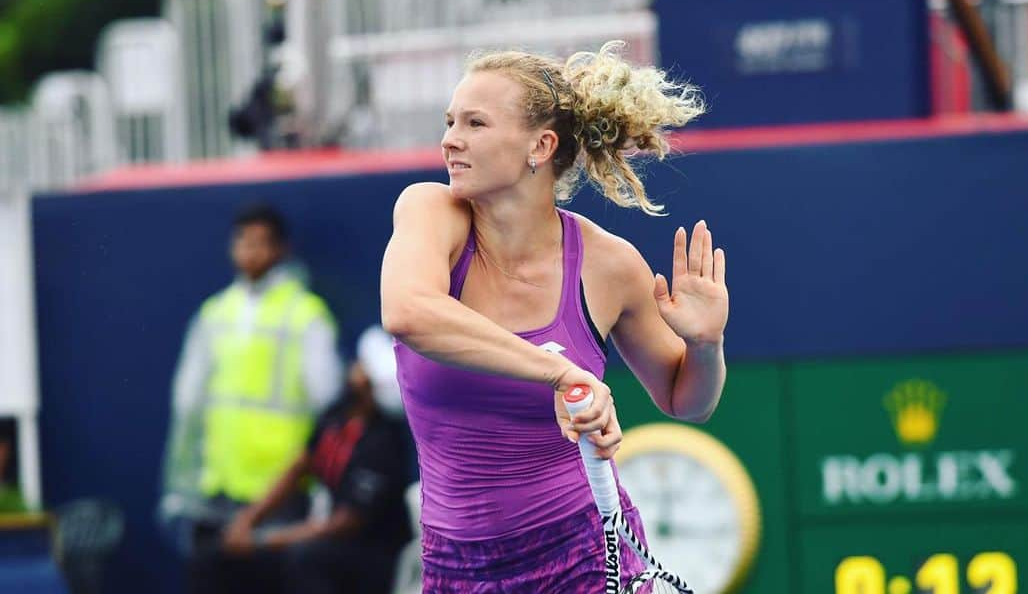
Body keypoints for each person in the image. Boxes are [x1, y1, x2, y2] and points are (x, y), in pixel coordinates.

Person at [382, 41, 729, 591]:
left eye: (475, 123)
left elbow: (687, 400)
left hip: (583, 553)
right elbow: (408, 313)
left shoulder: (608, 264)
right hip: (452, 567)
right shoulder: (429, 211)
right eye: (450, 121)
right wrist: (563, 372)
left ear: (539, 146)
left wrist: (706, 347)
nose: (450, 139)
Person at [159, 204, 343, 591]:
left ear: (281, 249)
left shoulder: (306, 314)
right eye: (242, 241)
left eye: (260, 243)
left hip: (281, 489)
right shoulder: (216, 312)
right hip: (218, 486)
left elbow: (327, 398)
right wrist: (184, 480)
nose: (250, 251)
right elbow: (188, 402)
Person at [218, 358, 412, 594]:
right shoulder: (337, 414)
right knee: (222, 556)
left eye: (364, 370)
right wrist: (247, 520)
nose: (355, 371)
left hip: (371, 554)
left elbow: (345, 524)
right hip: (321, 536)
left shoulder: (384, 442)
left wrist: (264, 540)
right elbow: (298, 468)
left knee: (304, 557)